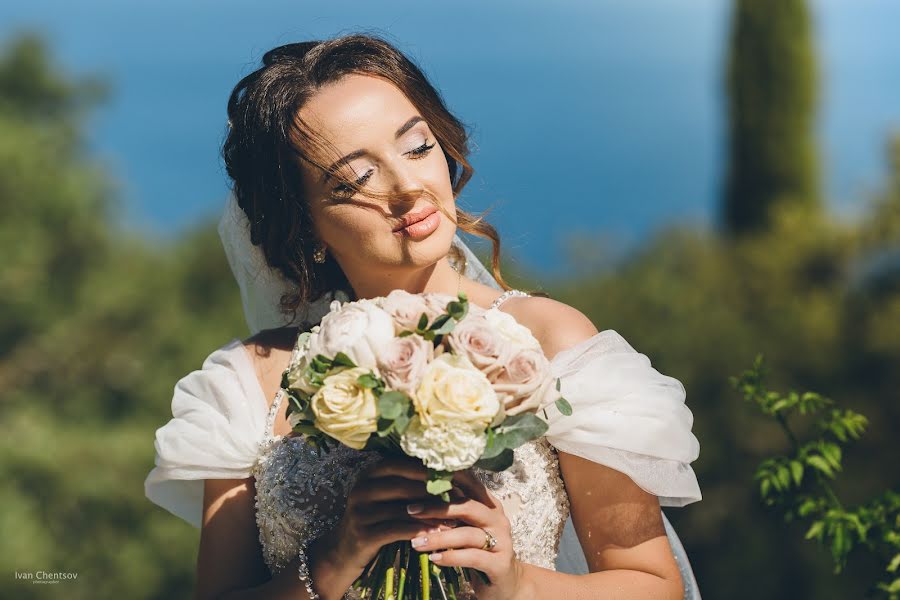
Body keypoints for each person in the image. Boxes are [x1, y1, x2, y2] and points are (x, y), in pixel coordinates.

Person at [144, 33, 702, 600]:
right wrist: (331, 564)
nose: (407, 188)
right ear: (302, 223)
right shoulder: (249, 381)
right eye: (355, 180)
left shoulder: (554, 343)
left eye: (416, 148)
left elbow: (653, 585)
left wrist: (515, 584)